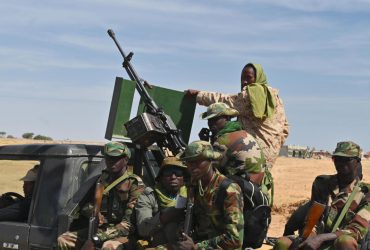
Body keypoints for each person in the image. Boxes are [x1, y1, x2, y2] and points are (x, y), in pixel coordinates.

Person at [186, 62, 289, 168]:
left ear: (258, 78)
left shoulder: (252, 95)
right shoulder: (275, 99)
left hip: (250, 155)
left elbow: (225, 101)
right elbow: (285, 129)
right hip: (268, 159)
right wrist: (272, 147)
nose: (244, 82)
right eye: (242, 78)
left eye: (249, 78)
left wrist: (199, 96)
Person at [274, 141, 370, 250]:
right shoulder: (322, 184)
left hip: (340, 242)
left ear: (357, 162)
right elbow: (313, 218)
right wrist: (310, 237)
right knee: (282, 243)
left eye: (347, 160)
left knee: (345, 242)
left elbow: (356, 230)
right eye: (337, 159)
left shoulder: (365, 193)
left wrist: (321, 238)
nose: (341, 163)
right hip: (318, 239)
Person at [58, 141, 145, 250]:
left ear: (126, 160)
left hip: (124, 234)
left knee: (108, 247)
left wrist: (96, 239)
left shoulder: (135, 183)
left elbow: (129, 224)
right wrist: (95, 212)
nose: (111, 162)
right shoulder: (102, 179)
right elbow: (84, 205)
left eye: (116, 158)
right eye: (108, 158)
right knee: (64, 239)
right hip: (102, 228)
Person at [172, 140, 244, 250]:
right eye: (189, 162)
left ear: (210, 160)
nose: (192, 167)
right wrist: (183, 228)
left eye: (197, 162)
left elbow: (235, 239)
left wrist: (196, 247)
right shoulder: (194, 184)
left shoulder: (229, 189)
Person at [200, 102, 266, 186]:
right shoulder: (242, 132)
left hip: (244, 188)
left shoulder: (224, 139)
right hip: (257, 185)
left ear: (227, 118)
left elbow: (211, 168)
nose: (211, 123)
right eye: (209, 119)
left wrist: (204, 144)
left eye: (216, 119)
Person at [135, 156, 188, 248]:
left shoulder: (191, 194)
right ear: (161, 177)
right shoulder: (149, 195)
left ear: (184, 177)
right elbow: (143, 229)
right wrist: (164, 218)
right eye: (168, 173)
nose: (173, 177)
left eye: (178, 173)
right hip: (160, 243)